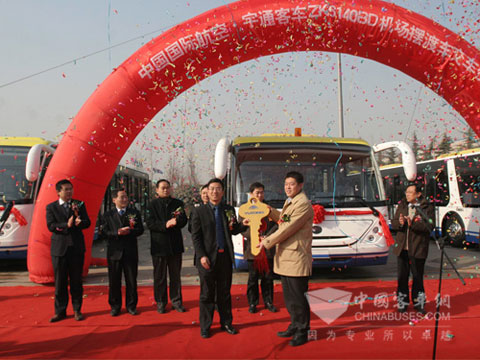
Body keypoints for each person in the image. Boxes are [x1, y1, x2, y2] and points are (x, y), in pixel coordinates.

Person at [260, 171, 313, 347]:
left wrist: (266, 241)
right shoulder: (290, 202)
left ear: (300, 185)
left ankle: (302, 331)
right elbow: (284, 220)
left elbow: (287, 229)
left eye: (291, 184)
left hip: (296, 257)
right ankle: (294, 324)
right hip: (286, 257)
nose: (288, 187)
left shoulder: (303, 204)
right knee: (290, 298)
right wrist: (269, 211)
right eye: (286, 184)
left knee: (298, 297)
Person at [190, 178, 248, 339]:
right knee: (207, 294)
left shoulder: (228, 209)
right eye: (212, 189)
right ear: (207, 192)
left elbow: (234, 229)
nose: (215, 191)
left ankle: (227, 323)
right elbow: (196, 236)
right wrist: (201, 255)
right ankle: (206, 326)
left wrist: (244, 224)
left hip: (225, 257)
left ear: (223, 192)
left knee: (224, 293)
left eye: (218, 189)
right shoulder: (198, 211)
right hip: (206, 259)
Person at [46, 179, 91, 323]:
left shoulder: (79, 204)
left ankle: (77, 310)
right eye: (66, 189)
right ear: (58, 192)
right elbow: (51, 226)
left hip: (76, 248)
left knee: (76, 281)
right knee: (60, 282)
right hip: (59, 249)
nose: (69, 192)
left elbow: (87, 222)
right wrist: (67, 224)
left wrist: (81, 222)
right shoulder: (51, 207)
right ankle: (60, 311)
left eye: (71, 189)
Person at [391, 183, 434, 314]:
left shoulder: (427, 207)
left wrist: (413, 224)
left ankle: (419, 304)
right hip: (402, 248)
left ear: (418, 194)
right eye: (407, 192)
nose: (407, 195)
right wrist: (400, 223)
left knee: (417, 277)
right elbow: (393, 223)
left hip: (418, 248)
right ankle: (402, 303)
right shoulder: (402, 205)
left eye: (410, 192)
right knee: (402, 277)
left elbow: (429, 226)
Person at [100, 189, 144, 316]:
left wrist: (130, 231)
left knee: (131, 280)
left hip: (130, 251)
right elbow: (103, 233)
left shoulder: (134, 213)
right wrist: (117, 233)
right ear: (114, 200)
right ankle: (115, 306)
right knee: (114, 281)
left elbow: (140, 229)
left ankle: (131, 305)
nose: (125, 199)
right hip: (114, 252)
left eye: (126, 197)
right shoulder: (108, 215)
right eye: (121, 197)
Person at [146, 179, 188, 314]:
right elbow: (150, 223)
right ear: (157, 190)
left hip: (175, 246)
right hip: (159, 246)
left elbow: (183, 220)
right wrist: (165, 225)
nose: (166, 190)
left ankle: (176, 301)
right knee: (160, 276)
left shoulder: (177, 204)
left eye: (168, 187)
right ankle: (161, 302)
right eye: (163, 188)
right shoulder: (151, 205)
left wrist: (177, 221)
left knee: (175, 275)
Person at [239, 182, 278, 314]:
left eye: (262, 192)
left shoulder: (269, 208)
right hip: (252, 248)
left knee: (268, 277)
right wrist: (255, 235)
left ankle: (269, 302)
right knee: (253, 278)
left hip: (267, 248)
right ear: (251, 194)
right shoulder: (245, 210)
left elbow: (278, 225)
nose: (260, 195)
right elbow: (241, 228)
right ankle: (252, 303)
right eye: (257, 193)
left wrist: (266, 237)